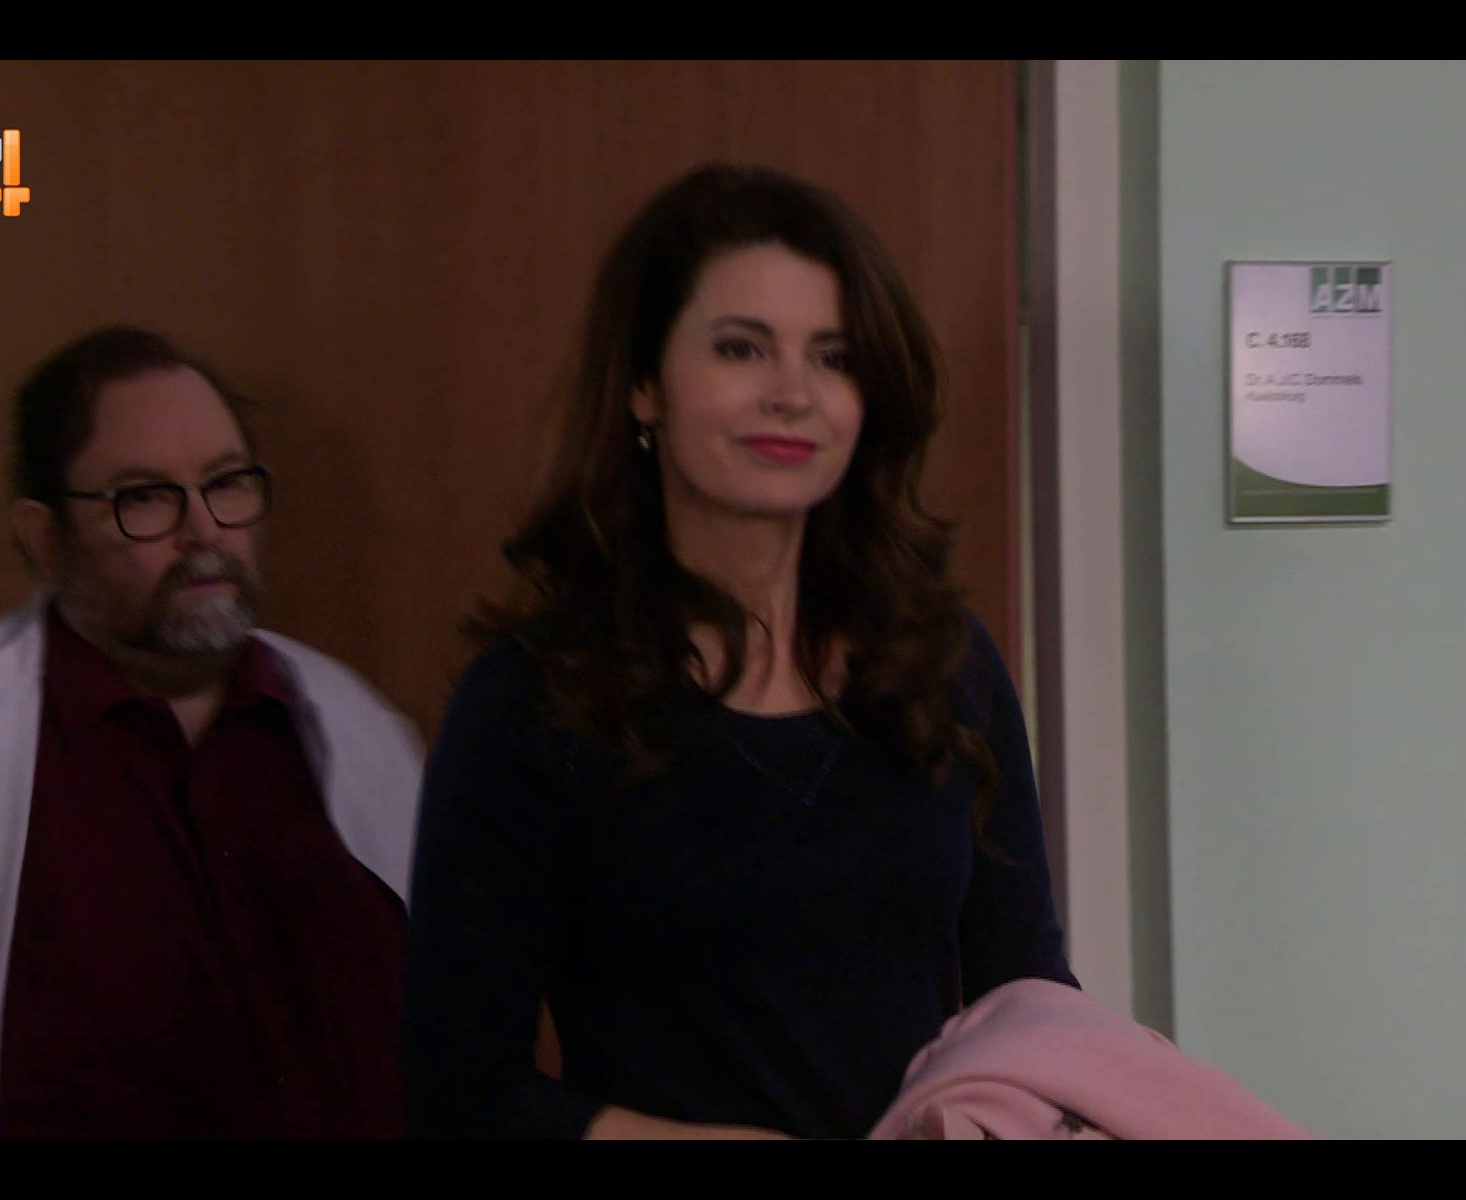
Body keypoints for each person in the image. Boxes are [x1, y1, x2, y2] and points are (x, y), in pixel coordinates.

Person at [402, 164, 1076, 1140]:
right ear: (644, 386)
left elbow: (1034, 1001)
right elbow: (460, 1093)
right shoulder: (531, 700)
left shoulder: (943, 663)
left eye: (833, 357)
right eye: (740, 348)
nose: (793, 394)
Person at [0, 326, 424, 1139]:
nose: (205, 532)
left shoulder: (360, 733)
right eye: (146, 497)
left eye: (226, 483)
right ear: (46, 537)